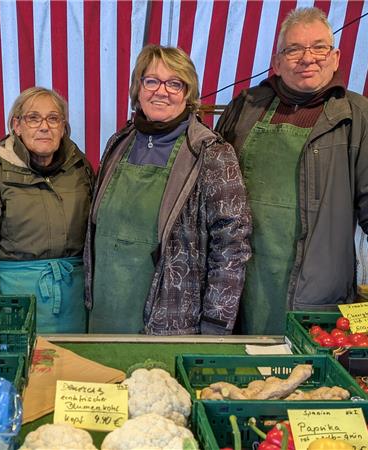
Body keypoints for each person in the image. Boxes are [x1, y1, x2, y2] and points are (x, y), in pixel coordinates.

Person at [215, 7, 368, 335]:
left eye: (319, 47)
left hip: (316, 295)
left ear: (335, 57)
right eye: (294, 49)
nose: (308, 58)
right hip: (239, 288)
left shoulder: (360, 119)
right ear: (277, 62)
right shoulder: (246, 107)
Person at [84, 45, 251, 335]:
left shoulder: (211, 153)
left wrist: (215, 324)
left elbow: (231, 247)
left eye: (175, 83)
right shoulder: (118, 143)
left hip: (170, 321)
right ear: (138, 88)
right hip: (105, 312)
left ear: (188, 94)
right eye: (151, 81)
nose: (161, 91)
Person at [0, 87, 94, 333]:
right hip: (15, 304)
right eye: (33, 118)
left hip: (74, 305)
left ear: (63, 127)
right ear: (17, 125)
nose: (45, 127)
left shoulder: (80, 168)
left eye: (53, 118)